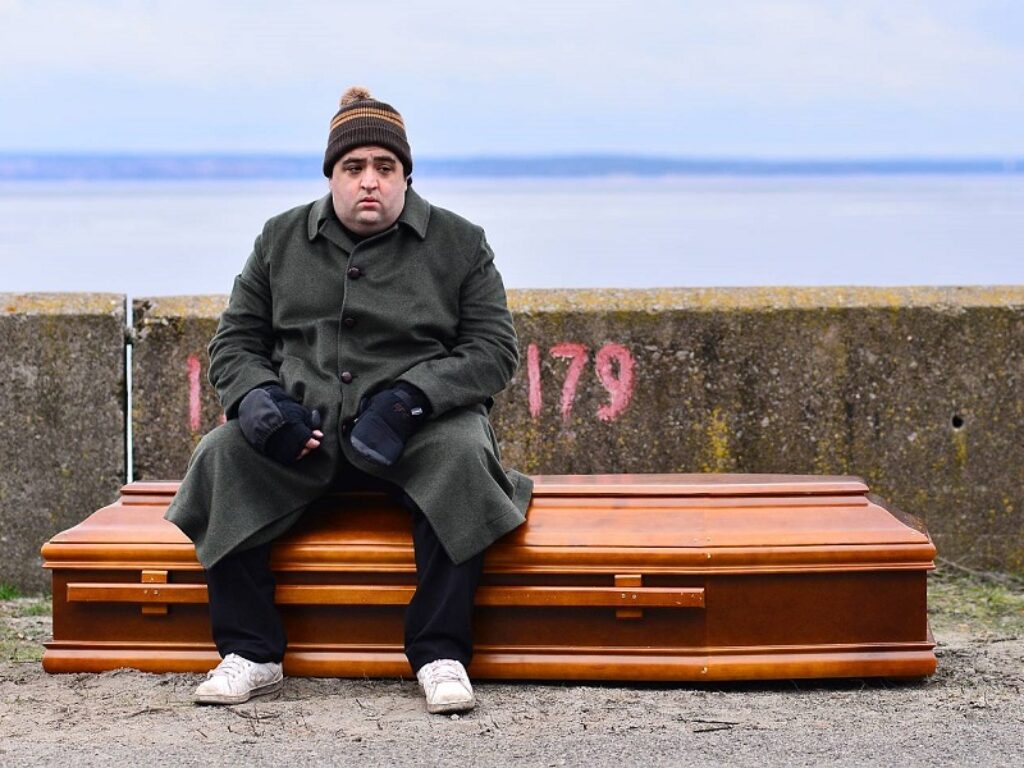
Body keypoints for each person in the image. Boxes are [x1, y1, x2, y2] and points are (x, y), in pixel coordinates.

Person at [165, 86, 533, 714]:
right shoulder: (280, 238)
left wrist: (412, 399)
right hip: (303, 428)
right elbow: (236, 340)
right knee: (222, 455)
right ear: (331, 174)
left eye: (385, 167)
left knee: (464, 458)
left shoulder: (460, 242)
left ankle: (439, 653)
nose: (370, 181)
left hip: (416, 432)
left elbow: (494, 349)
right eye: (353, 166)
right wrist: (258, 402)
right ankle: (251, 651)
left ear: (406, 175)